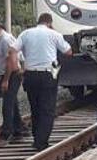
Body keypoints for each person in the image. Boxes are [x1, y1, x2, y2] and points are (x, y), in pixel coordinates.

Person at [11, 13, 73, 151]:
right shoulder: (53, 34)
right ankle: (41, 142)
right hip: (48, 74)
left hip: (30, 75)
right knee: (47, 109)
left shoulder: (26, 33)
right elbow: (69, 52)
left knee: (35, 107)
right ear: (49, 23)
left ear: (38, 21)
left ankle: (36, 137)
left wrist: (16, 67)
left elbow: (12, 50)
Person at [0, 18, 29, 145]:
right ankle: (19, 129)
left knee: (7, 105)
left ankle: (6, 134)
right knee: (8, 102)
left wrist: (5, 80)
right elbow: (0, 61)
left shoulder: (6, 40)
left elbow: (11, 62)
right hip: (4, 75)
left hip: (12, 75)